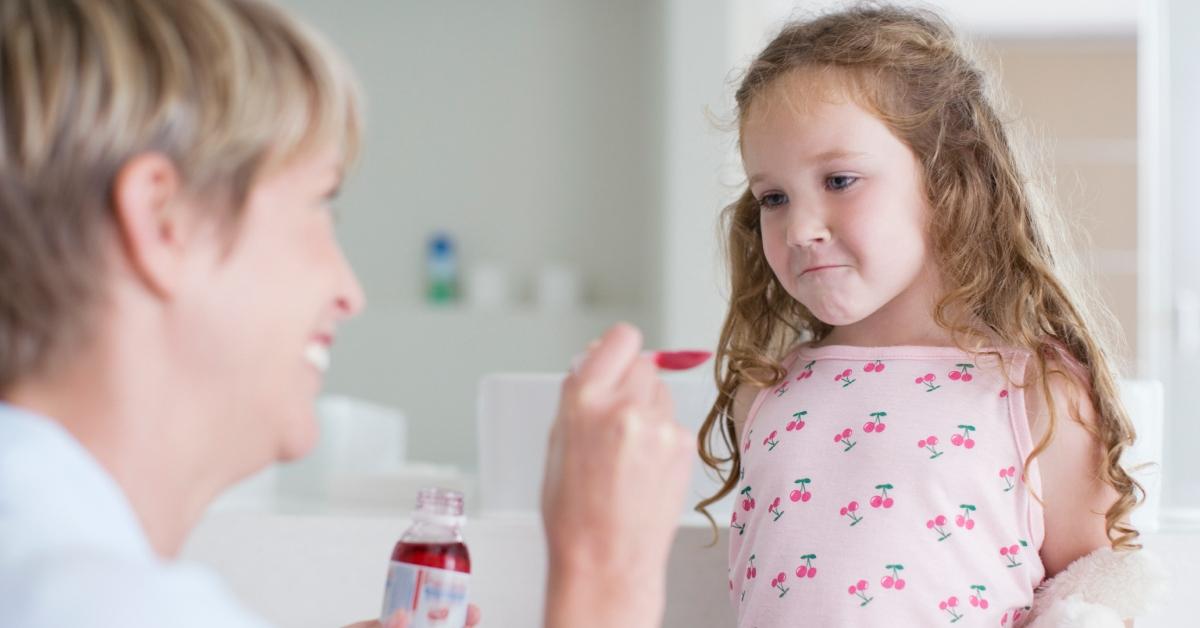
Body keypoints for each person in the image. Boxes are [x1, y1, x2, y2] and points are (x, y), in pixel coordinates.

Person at [0, 1, 692, 627]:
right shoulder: (97, 600)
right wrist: (608, 578)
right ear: (164, 221)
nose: (349, 291)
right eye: (317, 205)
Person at [693, 5, 1144, 626]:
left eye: (841, 179)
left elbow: (1093, 593)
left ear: (946, 176)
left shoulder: (1033, 392)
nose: (799, 228)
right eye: (774, 197)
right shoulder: (768, 392)